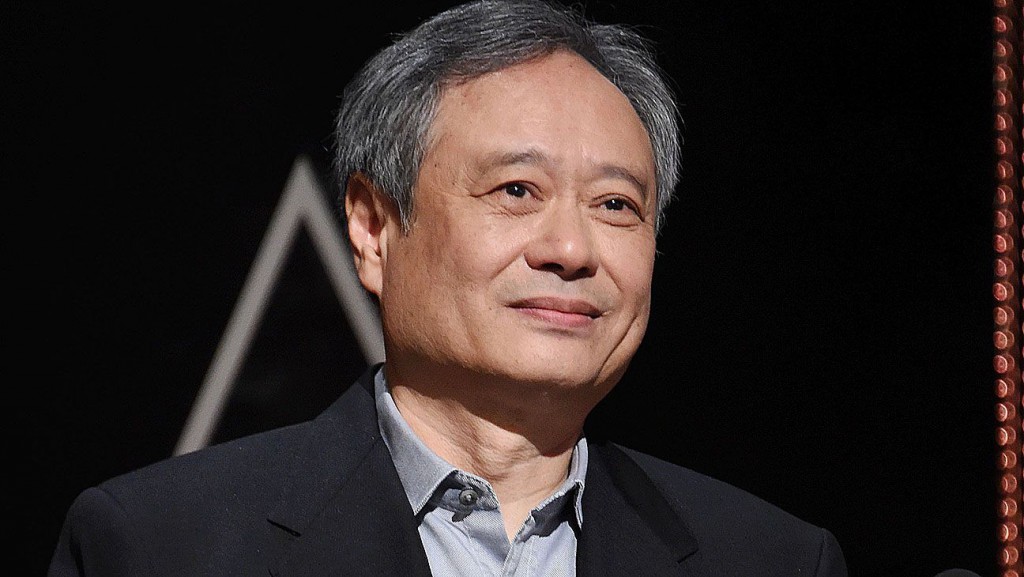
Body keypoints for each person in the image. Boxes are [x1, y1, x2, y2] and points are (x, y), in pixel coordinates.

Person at [48, 0, 848, 575]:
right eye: (515, 190)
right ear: (372, 228)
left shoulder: (773, 555)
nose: (571, 248)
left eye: (615, 205)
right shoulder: (161, 544)